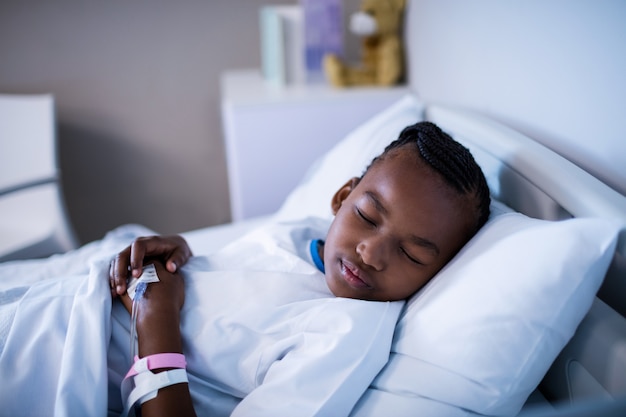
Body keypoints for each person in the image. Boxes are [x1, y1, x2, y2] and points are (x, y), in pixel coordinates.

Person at [107, 121, 491, 416]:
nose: (371, 253)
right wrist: (187, 256)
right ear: (342, 198)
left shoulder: (346, 334)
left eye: (411, 254)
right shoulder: (304, 234)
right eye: (367, 216)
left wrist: (154, 318)